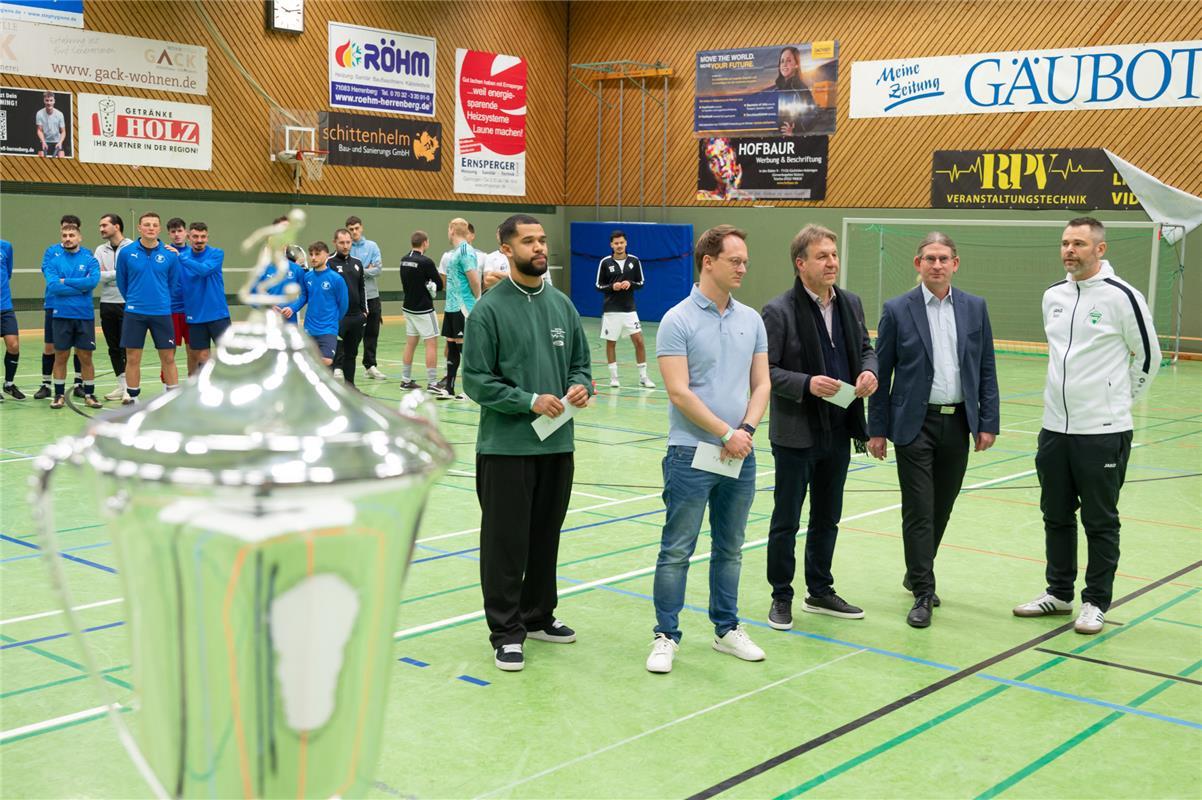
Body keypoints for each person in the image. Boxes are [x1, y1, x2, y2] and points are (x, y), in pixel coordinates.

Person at [1013, 216, 1160, 635]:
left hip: (1103, 432)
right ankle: (1058, 594)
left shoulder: (1122, 296)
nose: (1069, 251)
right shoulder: (1053, 295)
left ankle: (1095, 601)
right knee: (1055, 514)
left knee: (1100, 520)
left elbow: (1148, 357)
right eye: (1064, 243)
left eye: (1078, 243)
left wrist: (1114, 401)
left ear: (1100, 249)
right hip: (1054, 429)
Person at [463, 213, 592, 672]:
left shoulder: (562, 305)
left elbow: (581, 365)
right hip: (506, 448)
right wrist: (528, 400)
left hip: (558, 446)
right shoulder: (489, 311)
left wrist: (580, 387)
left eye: (542, 241)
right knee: (505, 544)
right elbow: (476, 381)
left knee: (545, 537)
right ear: (506, 248)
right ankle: (506, 630)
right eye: (529, 241)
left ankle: (538, 616)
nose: (540, 248)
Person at [646, 225, 770, 674]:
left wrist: (747, 430)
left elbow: (762, 383)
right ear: (708, 261)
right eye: (735, 260)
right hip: (689, 454)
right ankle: (665, 635)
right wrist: (725, 432)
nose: (742, 267)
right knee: (677, 548)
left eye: (745, 261)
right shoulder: (677, 320)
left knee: (731, 547)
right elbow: (679, 392)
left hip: (742, 450)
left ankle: (726, 629)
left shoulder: (751, 319)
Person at [867, 232, 999, 628]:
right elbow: (881, 371)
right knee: (919, 509)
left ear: (955, 264)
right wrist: (876, 429)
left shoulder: (976, 308)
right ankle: (923, 590)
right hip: (913, 424)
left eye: (944, 258)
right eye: (930, 258)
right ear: (917, 264)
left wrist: (987, 421)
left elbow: (986, 368)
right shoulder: (897, 309)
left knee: (942, 506)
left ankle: (916, 569)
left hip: (959, 422)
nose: (937, 265)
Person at [761, 224, 877, 631]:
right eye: (822, 256)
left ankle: (820, 590)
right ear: (801, 263)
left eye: (833, 255)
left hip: (839, 428)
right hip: (795, 433)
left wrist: (868, 373)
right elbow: (765, 372)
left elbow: (866, 349)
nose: (831, 262)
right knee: (787, 520)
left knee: (828, 516)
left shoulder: (851, 303)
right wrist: (806, 384)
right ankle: (781, 595)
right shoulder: (779, 311)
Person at [116, 212, 180, 404]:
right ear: (139, 228)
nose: (151, 228)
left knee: (168, 357)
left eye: (154, 225)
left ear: (159, 229)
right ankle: (133, 398)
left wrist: (160, 300)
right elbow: (122, 281)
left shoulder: (170, 254)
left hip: (161, 312)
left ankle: (172, 398)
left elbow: (172, 282)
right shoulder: (127, 252)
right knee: (133, 357)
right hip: (135, 312)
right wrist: (135, 299)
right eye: (147, 224)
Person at [44, 223, 101, 408]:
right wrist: (80, 287)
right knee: (61, 356)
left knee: (86, 357)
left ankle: (89, 394)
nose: (68, 238)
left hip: (84, 316)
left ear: (79, 237)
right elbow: (53, 287)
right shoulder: (54, 261)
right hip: (61, 316)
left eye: (71, 235)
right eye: (64, 235)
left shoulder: (90, 259)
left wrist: (66, 281)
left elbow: (92, 282)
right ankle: (58, 395)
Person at [595, 229, 654, 389]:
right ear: (611, 245)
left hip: (629, 310)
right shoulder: (605, 262)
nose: (619, 245)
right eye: (616, 243)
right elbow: (598, 286)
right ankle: (614, 378)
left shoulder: (634, 261)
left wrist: (631, 284)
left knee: (639, 341)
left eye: (621, 242)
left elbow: (641, 283)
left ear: (626, 243)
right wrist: (612, 286)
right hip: (611, 310)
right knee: (611, 343)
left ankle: (643, 377)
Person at [37, 216, 85, 400]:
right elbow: (52, 279)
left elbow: (88, 281)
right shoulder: (51, 252)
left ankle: (79, 383)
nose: (67, 235)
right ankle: (46, 384)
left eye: (72, 231)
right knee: (50, 346)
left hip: (78, 307)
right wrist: (75, 285)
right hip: (54, 304)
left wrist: (74, 284)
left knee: (79, 348)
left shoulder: (85, 254)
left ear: (78, 234)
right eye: (64, 230)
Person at [280, 242, 347, 367]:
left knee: (327, 360)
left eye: (317, 254)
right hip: (309, 329)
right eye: (311, 254)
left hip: (328, 329)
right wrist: (292, 308)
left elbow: (343, 305)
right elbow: (304, 297)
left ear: (326, 255)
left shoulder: (336, 279)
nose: (313, 257)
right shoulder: (308, 277)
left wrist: (333, 321)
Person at [178, 222, 230, 371]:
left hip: (218, 314)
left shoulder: (216, 253)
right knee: (202, 357)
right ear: (189, 237)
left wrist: (182, 259)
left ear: (207, 237)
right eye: (195, 236)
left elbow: (204, 270)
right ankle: (207, 390)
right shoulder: (183, 257)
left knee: (227, 355)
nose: (199, 240)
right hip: (195, 315)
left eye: (203, 236)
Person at [440, 217, 481, 400]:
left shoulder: (465, 251)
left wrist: (476, 300)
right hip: (451, 306)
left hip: (463, 307)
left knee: (466, 349)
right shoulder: (455, 252)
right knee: (451, 346)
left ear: (451, 230)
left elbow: (473, 279)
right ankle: (449, 388)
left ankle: (471, 390)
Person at [397, 230, 444, 393]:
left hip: (408, 307)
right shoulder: (426, 262)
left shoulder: (404, 260)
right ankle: (432, 383)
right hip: (423, 309)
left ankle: (405, 380)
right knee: (431, 343)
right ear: (425, 243)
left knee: (411, 343)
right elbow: (439, 284)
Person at [96, 213, 132, 401]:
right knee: (113, 348)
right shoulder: (100, 249)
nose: (101, 229)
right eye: (100, 226)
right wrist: (117, 274)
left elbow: (130, 273)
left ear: (116, 226)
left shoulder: (132, 247)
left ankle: (130, 387)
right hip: (107, 303)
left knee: (127, 346)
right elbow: (96, 276)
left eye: (104, 225)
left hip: (127, 302)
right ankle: (121, 385)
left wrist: (109, 274)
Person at [347, 216, 386, 379]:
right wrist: (366, 268)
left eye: (356, 228)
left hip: (372, 296)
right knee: (350, 334)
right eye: (351, 229)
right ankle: (341, 366)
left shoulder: (372, 246)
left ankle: (370, 366)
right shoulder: (346, 248)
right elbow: (345, 270)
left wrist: (358, 270)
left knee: (372, 333)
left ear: (361, 228)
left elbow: (378, 269)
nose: (354, 232)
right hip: (353, 298)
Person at [327, 228, 367, 386]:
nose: (345, 246)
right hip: (337, 318)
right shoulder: (328, 263)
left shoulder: (357, 263)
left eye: (348, 242)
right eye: (341, 242)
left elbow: (361, 287)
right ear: (335, 243)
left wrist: (364, 311)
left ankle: (351, 388)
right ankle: (329, 391)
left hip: (356, 317)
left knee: (351, 355)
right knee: (331, 356)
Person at [164, 217, 195, 377]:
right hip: (171, 310)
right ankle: (167, 387)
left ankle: (193, 384)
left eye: (180, 231)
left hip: (192, 310)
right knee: (168, 354)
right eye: (173, 232)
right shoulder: (165, 253)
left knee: (193, 353)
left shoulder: (194, 253)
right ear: (169, 234)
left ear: (186, 233)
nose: (177, 234)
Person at [1, 237, 23, 401]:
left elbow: (7, 273)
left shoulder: (6, 246)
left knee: (13, 345)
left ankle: (9, 384)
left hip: (5, 305)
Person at [36, 92, 67, 158]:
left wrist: (60, 142)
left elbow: (63, 132)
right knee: (40, 159)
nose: (49, 103)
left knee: (62, 158)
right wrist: (43, 142)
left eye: (51, 100)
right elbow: (39, 130)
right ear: (44, 101)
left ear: (54, 101)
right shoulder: (39, 113)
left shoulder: (60, 114)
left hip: (57, 141)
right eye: (47, 100)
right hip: (45, 141)